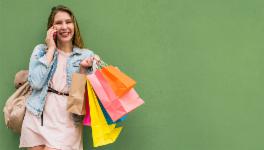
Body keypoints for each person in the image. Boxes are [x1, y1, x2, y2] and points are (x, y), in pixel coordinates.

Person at [19, 5, 99, 150]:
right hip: (38, 115)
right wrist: (51, 49)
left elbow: (81, 97)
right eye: (59, 23)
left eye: (68, 22)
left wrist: (84, 68)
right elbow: (36, 83)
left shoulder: (85, 56)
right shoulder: (41, 51)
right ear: (51, 28)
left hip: (67, 121)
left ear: (74, 25)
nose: (64, 27)